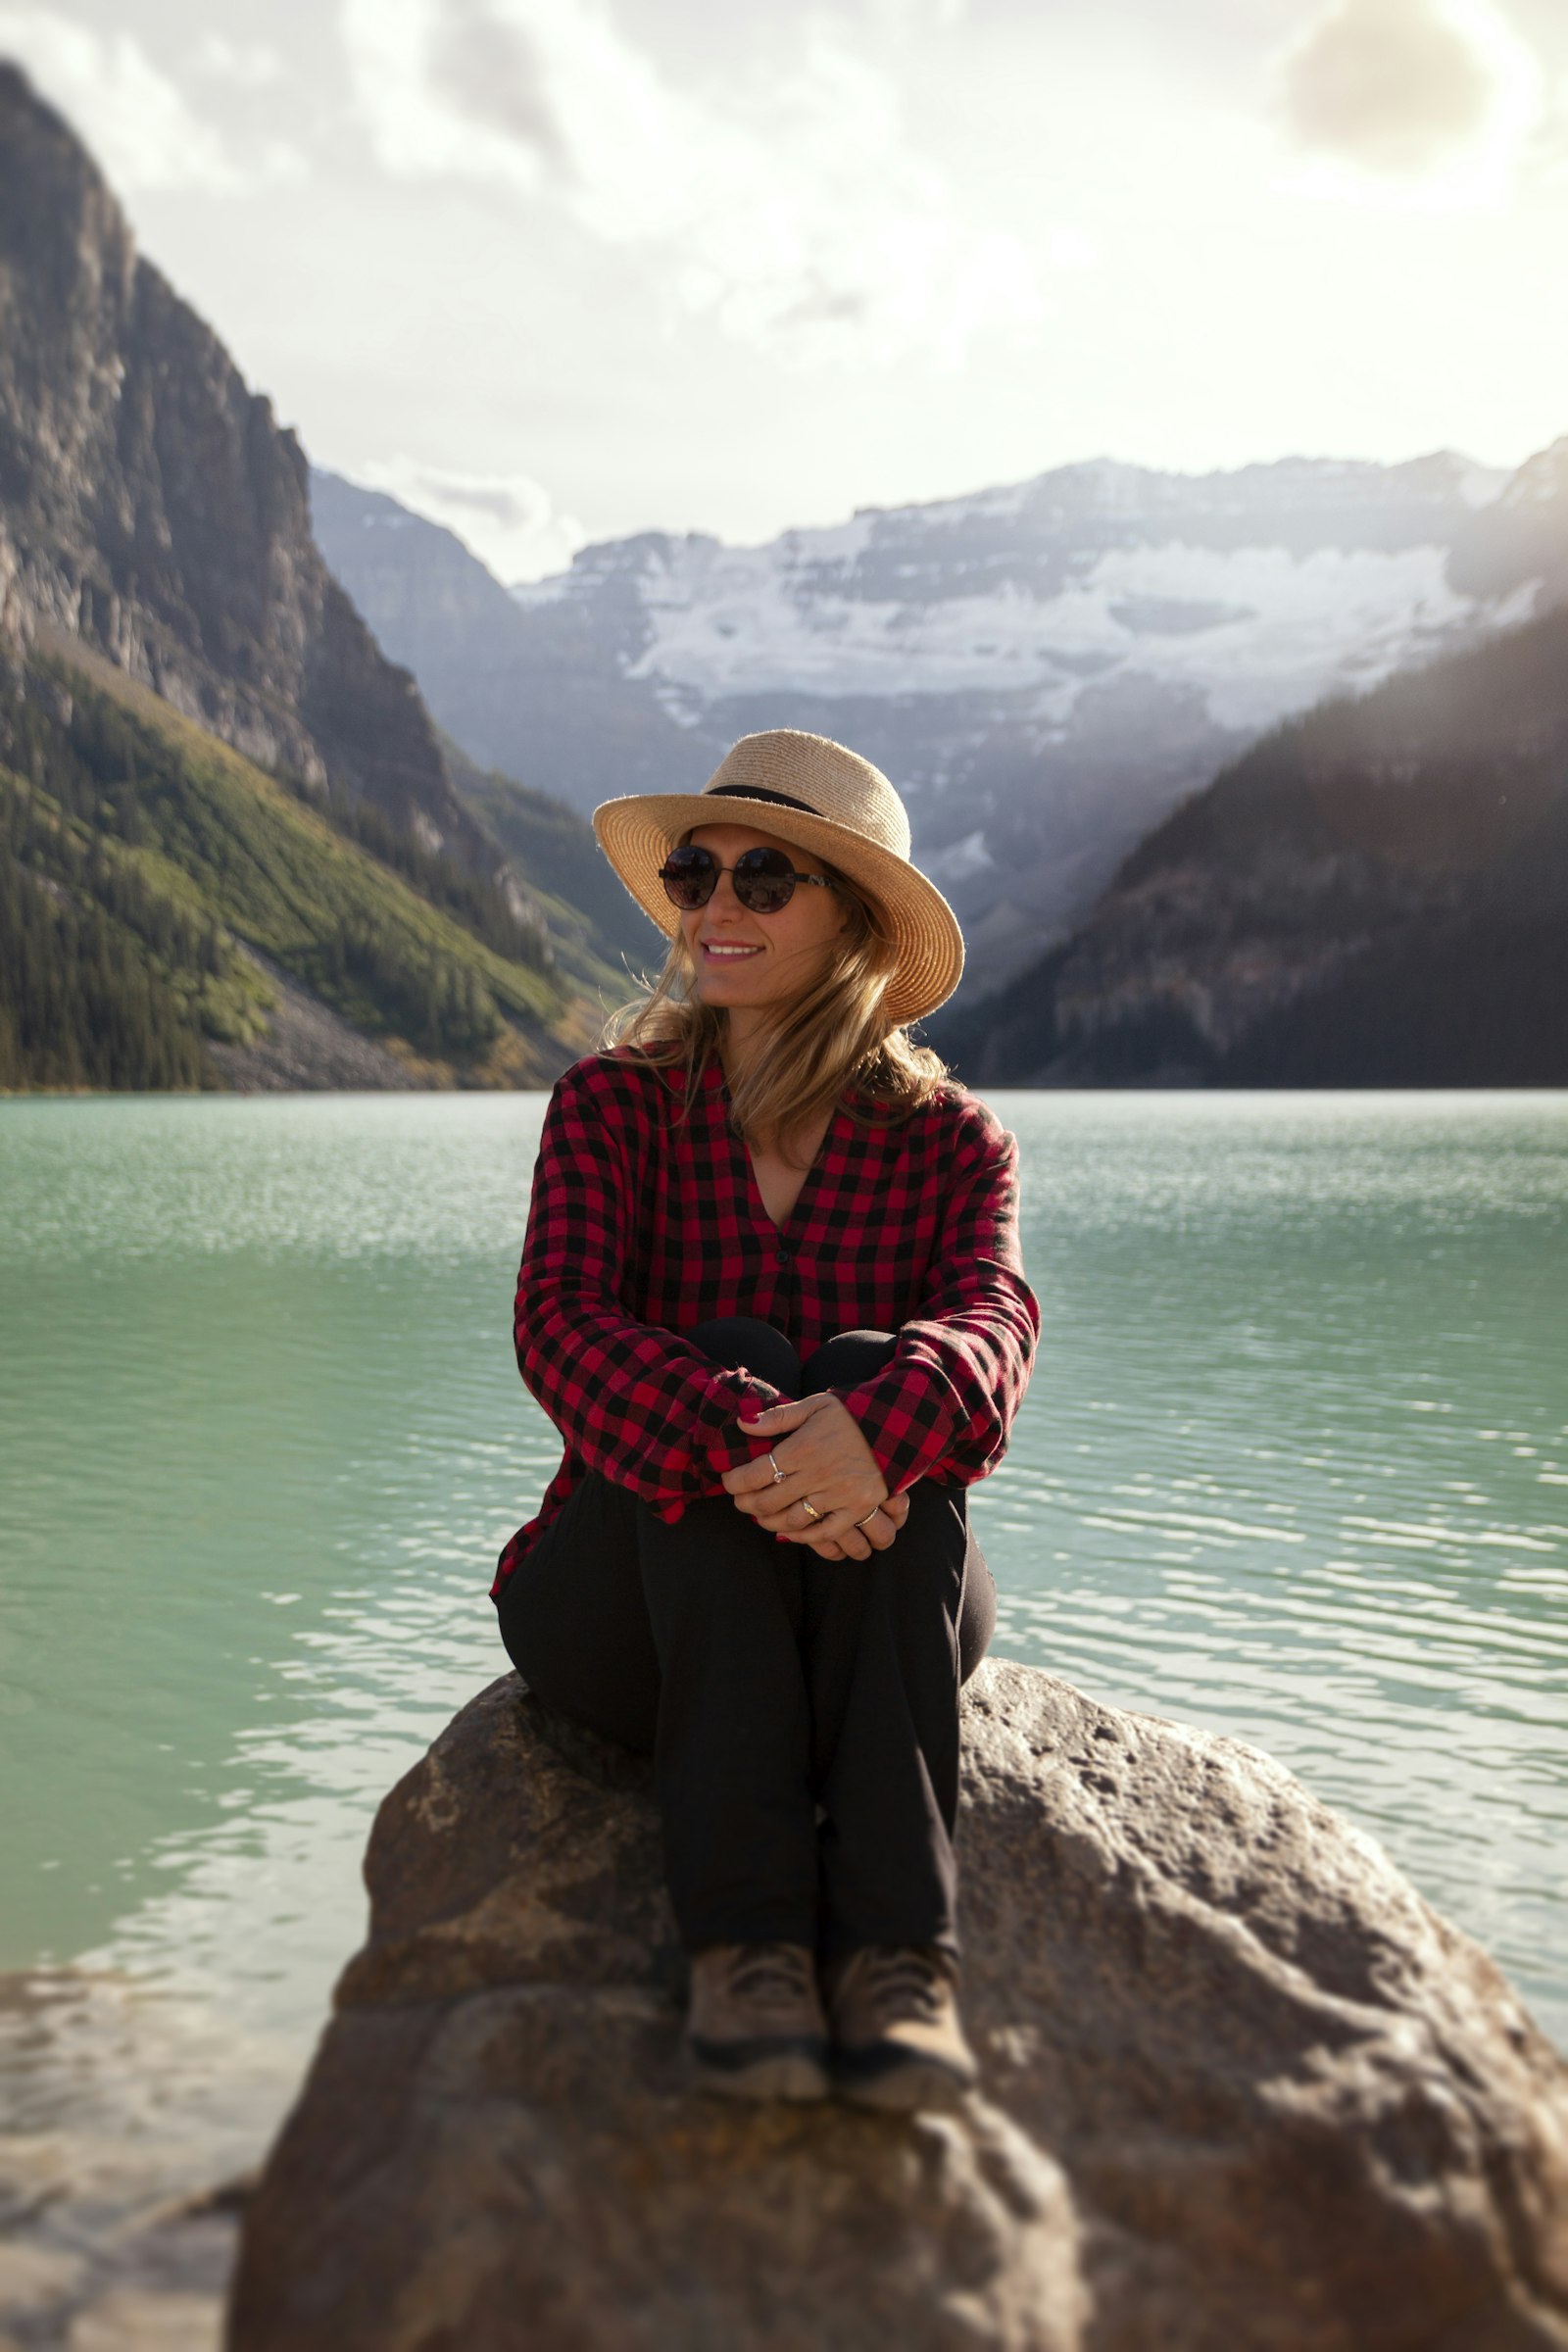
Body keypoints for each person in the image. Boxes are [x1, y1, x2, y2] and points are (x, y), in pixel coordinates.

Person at [492, 727, 1039, 2113]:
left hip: (863, 1613)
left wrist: (881, 1426)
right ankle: (747, 1947)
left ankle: (895, 1960)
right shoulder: (615, 1108)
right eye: (694, 876)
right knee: (738, 1352)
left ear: (853, 921)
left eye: (762, 880)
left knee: (876, 1367)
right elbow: (556, 1325)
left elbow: (994, 1327)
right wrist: (759, 1430)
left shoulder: (952, 1142)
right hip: (627, 1625)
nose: (714, 909)